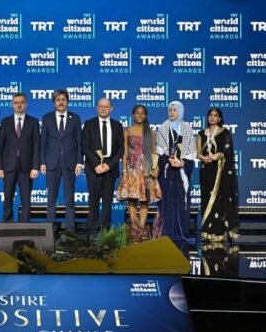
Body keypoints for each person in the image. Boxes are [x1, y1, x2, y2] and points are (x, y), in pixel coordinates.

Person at [40, 89, 83, 232]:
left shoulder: (75, 118)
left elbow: (79, 142)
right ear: (54, 102)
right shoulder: (47, 118)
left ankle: (70, 228)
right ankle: (50, 228)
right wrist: (42, 162)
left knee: (69, 199)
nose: (61, 102)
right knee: (51, 199)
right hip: (52, 162)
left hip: (70, 162)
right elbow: (43, 141)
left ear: (68, 101)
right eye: (58, 100)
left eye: (63, 99)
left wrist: (79, 162)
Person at [118, 104, 162, 242]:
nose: (140, 115)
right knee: (131, 199)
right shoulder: (127, 131)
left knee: (145, 199)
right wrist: (124, 170)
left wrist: (155, 168)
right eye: (137, 113)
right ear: (133, 115)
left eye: (142, 113)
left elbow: (154, 151)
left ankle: (141, 228)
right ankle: (134, 227)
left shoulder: (151, 132)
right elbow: (125, 153)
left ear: (145, 115)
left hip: (147, 170)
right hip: (132, 169)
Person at [0, 92, 40, 222]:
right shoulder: (5, 122)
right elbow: (0, 146)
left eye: (21, 102)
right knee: (8, 197)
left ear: (26, 104)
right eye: (16, 103)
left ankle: (25, 225)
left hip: (27, 166)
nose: (19, 105)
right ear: (12, 105)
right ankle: (7, 224)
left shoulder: (33, 122)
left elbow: (37, 146)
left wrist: (35, 167)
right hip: (8, 166)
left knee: (26, 198)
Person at [81, 98, 124, 232]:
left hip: (110, 169)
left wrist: (109, 165)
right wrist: (96, 165)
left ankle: (105, 230)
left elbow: (121, 149)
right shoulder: (89, 124)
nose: (103, 108)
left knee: (107, 201)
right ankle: (93, 229)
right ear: (96, 108)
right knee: (93, 200)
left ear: (111, 108)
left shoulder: (117, 125)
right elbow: (85, 146)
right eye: (101, 106)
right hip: (93, 168)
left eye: (106, 106)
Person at [197, 107, 240, 242]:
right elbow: (198, 153)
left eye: (215, 115)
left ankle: (218, 232)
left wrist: (218, 155)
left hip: (219, 171)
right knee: (206, 199)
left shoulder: (224, 132)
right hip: (206, 171)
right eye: (210, 115)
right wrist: (202, 158)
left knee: (219, 200)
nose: (212, 117)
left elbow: (227, 151)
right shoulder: (201, 133)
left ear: (219, 118)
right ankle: (207, 231)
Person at [156, 101, 196, 242]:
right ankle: (166, 232)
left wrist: (182, 162)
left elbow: (191, 153)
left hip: (181, 172)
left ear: (180, 111)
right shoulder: (162, 128)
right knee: (166, 201)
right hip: (167, 172)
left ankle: (181, 232)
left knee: (181, 201)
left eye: (175, 110)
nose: (172, 112)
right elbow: (159, 152)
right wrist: (169, 160)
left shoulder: (187, 129)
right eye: (170, 110)